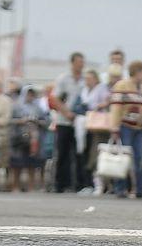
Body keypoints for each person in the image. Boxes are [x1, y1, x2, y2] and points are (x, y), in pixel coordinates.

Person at [47, 53, 87, 194]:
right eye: (78, 62)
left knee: (78, 153)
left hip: (79, 122)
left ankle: (78, 184)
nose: (81, 65)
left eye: (82, 62)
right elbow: (55, 98)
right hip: (64, 121)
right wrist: (66, 112)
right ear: (72, 63)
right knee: (62, 153)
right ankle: (59, 183)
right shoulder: (63, 79)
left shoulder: (85, 79)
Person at [108, 66, 142, 198]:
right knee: (123, 158)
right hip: (125, 126)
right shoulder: (122, 85)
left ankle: (140, 188)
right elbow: (115, 107)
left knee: (139, 158)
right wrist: (114, 127)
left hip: (139, 128)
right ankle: (120, 188)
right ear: (137, 72)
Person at [8, 84, 46, 192]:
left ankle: (31, 186)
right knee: (17, 163)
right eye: (28, 94)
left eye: (32, 94)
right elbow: (10, 120)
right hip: (18, 137)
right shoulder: (16, 106)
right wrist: (21, 121)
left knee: (32, 163)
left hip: (33, 138)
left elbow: (45, 121)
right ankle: (15, 186)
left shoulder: (38, 108)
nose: (30, 96)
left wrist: (37, 122)